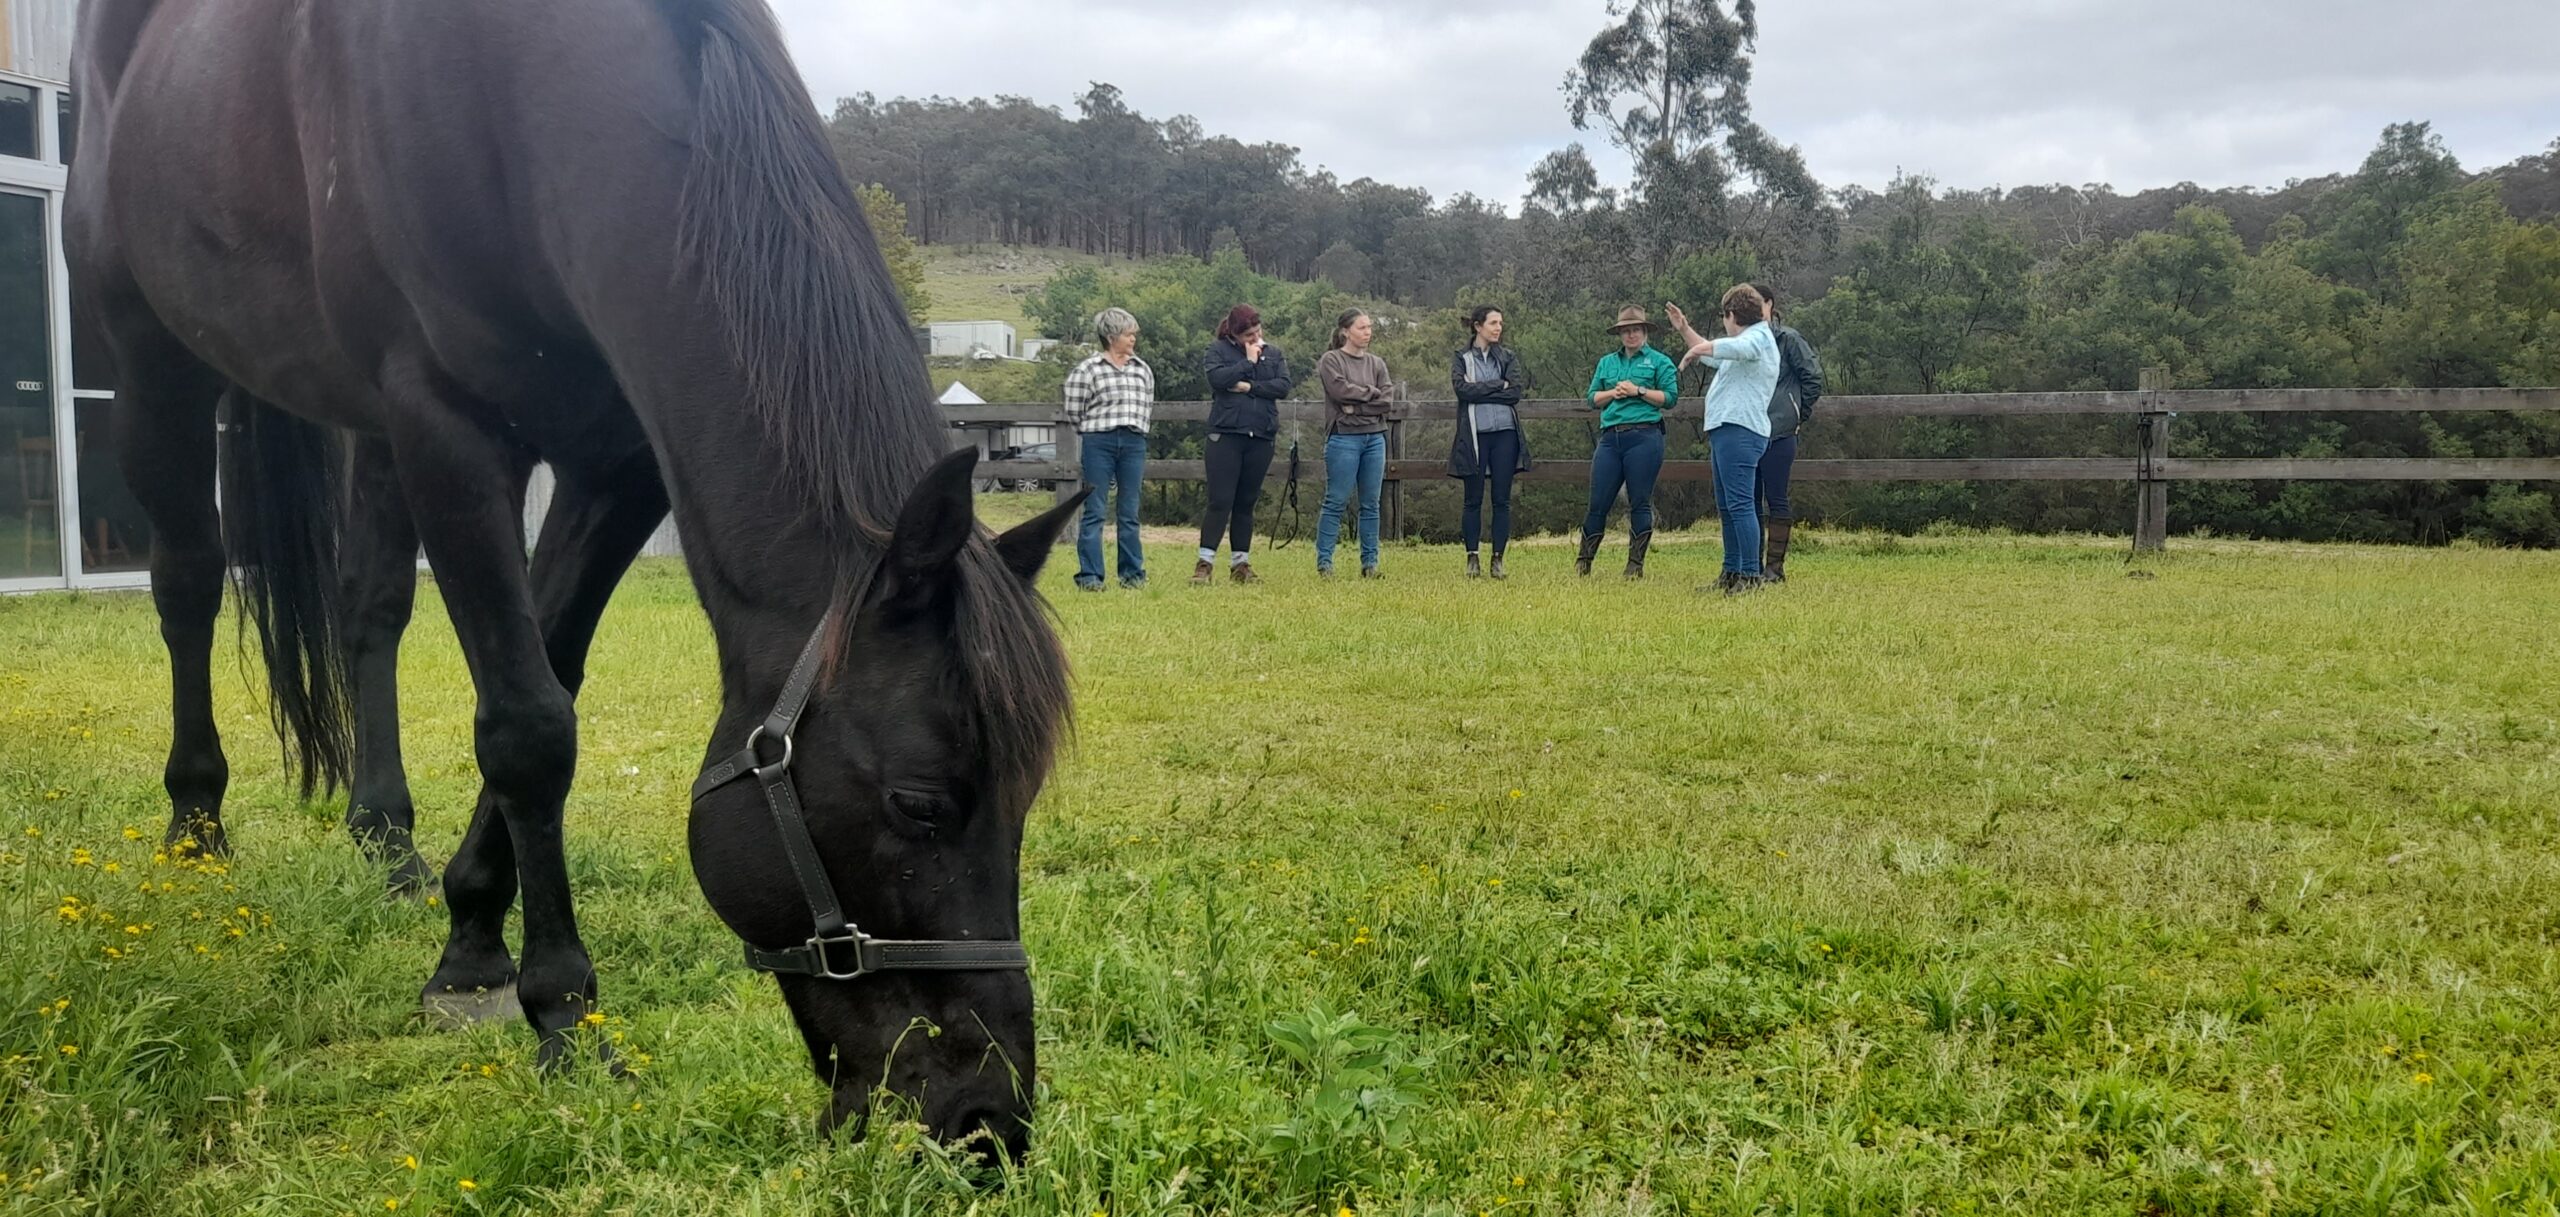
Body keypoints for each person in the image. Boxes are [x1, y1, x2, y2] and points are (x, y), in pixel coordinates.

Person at [1669, 285, 1781, 595]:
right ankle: (1731, 571)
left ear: (1732, 315)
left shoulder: (1757, 337)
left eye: (1725, 316)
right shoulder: (1742, 343)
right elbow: (1717, 355)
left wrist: (1699, 350)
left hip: (1741, 429)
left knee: (1742, 505)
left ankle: (1749, 575)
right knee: (1728, 506)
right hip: (1727, 430)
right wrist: (1686, 332)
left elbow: (1734, 349)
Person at [1578, 306, 1681, 579]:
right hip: (1611, 437)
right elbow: (1592, 398)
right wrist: (1614, 392)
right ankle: (1584, 562)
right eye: (1626, 330)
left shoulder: (1660, 362)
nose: (1631, 334)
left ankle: (1635, 565)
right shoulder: (1607, 363)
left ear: (1645, 331)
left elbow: (1670, 398)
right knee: (1598, 500)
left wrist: (1639, 391)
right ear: (1619, 334)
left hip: (1645, 436)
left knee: (1639, 500)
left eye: (1635, 329)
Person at [1061, 306, 1155, 590]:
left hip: (1133, 442)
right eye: (1128, 334)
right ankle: (1090, 576)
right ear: (1112, 336)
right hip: (1098, 441)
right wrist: (1093, 431)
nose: (1133, 339)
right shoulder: (1088, 370)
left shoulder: (1142, 370)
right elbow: (1074, 409)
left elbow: (1146, 407)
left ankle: (1132, 574)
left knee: (1129, 511)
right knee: (1095, 509)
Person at [1197, 305, 1292, 584]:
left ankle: (1241, 564)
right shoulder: (1217, 351)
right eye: (1249, 334)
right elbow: (1217, 380)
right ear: (1235, 334)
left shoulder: (1274, 353)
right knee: (1220, 500)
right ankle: (1205, 563)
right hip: (1225, 435)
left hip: (1261, 435)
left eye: (1257, 332)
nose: (1255, 337)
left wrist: (1249, 386)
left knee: (1246, 502)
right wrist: (1247, 363)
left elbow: (1282, 386)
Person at [1746, 282, 1823, 582]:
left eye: (1757, 304)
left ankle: (1774, 568)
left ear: (1770, 305)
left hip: (1779, 433)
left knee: (1776, 497)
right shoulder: (1743, 343)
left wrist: (1795, 415)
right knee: (1748, 500)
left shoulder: (1788, 339)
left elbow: (1813, 379)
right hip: (1748, 431)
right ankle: (1749, 566)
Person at [1447, 306, 1530, 579]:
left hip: (1504, 433)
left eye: (1501, 323)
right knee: (1472, 499)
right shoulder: (1462, 357)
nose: (1498, 328)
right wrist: (1498, 385)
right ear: (1477, 326)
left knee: (1501, 499)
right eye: (1493, 323)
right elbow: (1462, 390)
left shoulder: (1507, 357)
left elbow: (1515, 392)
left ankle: (1498, 559)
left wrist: (1482, 390)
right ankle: (1472, 557)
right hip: (1474, 434)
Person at [1314, 309, 1394, 578]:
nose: (1367, 332)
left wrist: (1357, 408)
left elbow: (1387, 401)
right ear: (1346, 331)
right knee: (1336, 500)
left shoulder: (1377, 363)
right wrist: (1371, 394)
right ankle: (1325, 563)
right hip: (1343, 438)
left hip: (1375, 438)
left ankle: (1370, 564)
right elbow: (1339, 391)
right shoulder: (1331, 360)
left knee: (1371, 503)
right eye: (1362, 327)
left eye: (1369, 327)